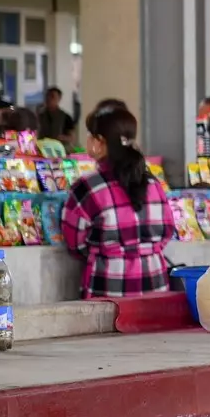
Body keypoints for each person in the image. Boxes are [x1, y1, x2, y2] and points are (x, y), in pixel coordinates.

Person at [60, 104, 176, 299]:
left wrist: (107, 252)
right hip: (155, 286)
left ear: (100, 142)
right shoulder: (153, 184)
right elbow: (167, 231)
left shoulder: (87, 187)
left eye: (90, 135)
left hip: (107, 288)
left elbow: (75, 243)